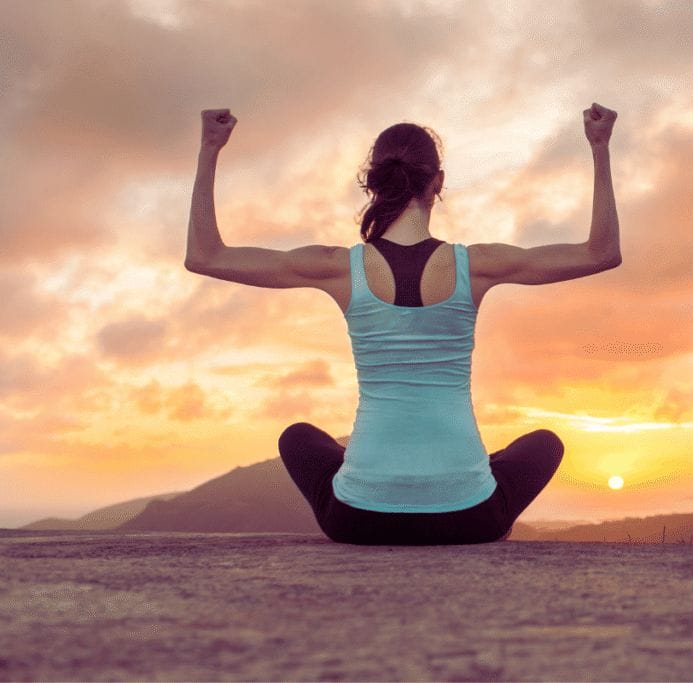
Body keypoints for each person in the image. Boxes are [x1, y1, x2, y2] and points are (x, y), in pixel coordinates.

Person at [185, 103, 621, 545]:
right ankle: (453, 477)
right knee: (544, 443)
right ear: (438, 183)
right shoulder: (479, 265)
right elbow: (601, 253)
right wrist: (599, 147)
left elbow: (205, 256)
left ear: (373, 182)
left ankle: (396, 481)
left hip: (357, 521)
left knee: (297, 437)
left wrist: (209, 147)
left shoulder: (338, 268)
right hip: (471, 519)